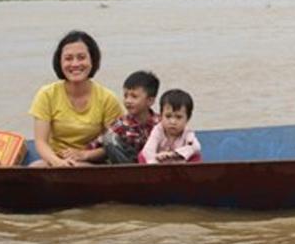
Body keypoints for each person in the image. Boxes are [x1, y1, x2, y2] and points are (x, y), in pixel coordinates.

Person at [28, 30, 123, 167]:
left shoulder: (107, 99)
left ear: (92, 60)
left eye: (81, 57)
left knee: (78, 168)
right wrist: (58, 163)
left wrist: (84, 155)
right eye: (68, 58)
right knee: (35, 167)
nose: (75, 64)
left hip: (91, 163)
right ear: (59, 62)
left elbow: (115, 144)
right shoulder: (47, 94)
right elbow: (41, 142)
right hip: (55, 160)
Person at [93, 70, 161, 164]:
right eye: (126, 96)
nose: (128, 101)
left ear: (150, 101)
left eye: (134, 96)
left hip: (155, 165)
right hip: (128, 164)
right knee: (109, 139)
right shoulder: (121, 124)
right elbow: (98, 144)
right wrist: (83, 154)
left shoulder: (161, 123)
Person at [139, 89, 202, 164]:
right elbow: (148, 149)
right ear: (161, 115)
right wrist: (154, 162)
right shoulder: (158, 130)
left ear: (188, 118)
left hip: (181, 165)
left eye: (178, 117)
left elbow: (196, 146)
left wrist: (175, 154)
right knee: (142, 155)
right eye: (168, 116)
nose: (173, 122)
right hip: (159, 164)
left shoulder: (187, 133)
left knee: (196, 156)